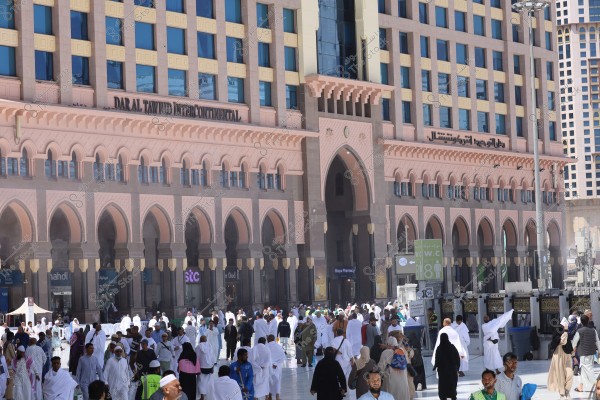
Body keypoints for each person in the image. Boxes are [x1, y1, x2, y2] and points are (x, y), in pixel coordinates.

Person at [572, 314, 600, 393]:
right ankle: (580, 387)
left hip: (583, 353)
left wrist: (572, 353)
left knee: (588, 370)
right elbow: (598, 341)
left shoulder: (579, 331)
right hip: (592, 353)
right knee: (584, 370)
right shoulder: (593, 330)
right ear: (588, 321)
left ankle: (597, 383)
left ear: (581, 322)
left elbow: (574, 342)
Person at [548, 318, 574, 400]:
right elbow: (562, 341)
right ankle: (562, 393)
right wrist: (565, 332)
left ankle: (567, 390)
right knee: (560, 375)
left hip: (567, 355)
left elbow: (568, 343)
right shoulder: (557, 332)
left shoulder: (568, 332)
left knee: (570, 373)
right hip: (558, 355)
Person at [482, 310, 514, 374]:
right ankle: (487, 369)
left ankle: (496, 370)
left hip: (494, 344)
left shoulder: (493, 323)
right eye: (484, 318)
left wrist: (506, 315)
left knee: (495, 357)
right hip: (488, 344)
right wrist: (492, 340)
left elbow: (499, 321)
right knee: (488, 357)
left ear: (489, 318)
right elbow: (490, 332)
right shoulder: (484, 326)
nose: (485, 318)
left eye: (486, 317)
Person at [433, 333, 460, 400]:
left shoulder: (439, 348)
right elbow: (457, 358)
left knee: (443, 384)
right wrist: (457, 368)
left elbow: (437, 359)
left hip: (442, 371)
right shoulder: (452, 347)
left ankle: (443, 396)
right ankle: (453, 395)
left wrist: (435, 366)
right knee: (452, 383)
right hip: (452, 370)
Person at [196, 335, 216, 400]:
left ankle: (202, 397)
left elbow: (196, 358)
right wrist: (212, 366)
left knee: (201, 382)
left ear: (200, 340)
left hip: (201, 367)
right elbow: (212, 356)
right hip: (209, 367)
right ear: (206, 340)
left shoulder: (198, 347)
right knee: (209, 382)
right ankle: (209, 396)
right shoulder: (209, 345)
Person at [266, 335, 285, 400]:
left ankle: (269, 396)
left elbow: (264, 358)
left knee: (268, 382)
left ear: (267, 339)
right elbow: (283, 357)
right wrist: (276, 364)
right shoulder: (279, 347)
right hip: (277, 367)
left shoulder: (266, 347)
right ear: (274, 339)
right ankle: (277, 396)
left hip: (268, 367)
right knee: (277, 381)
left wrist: (271, 364)